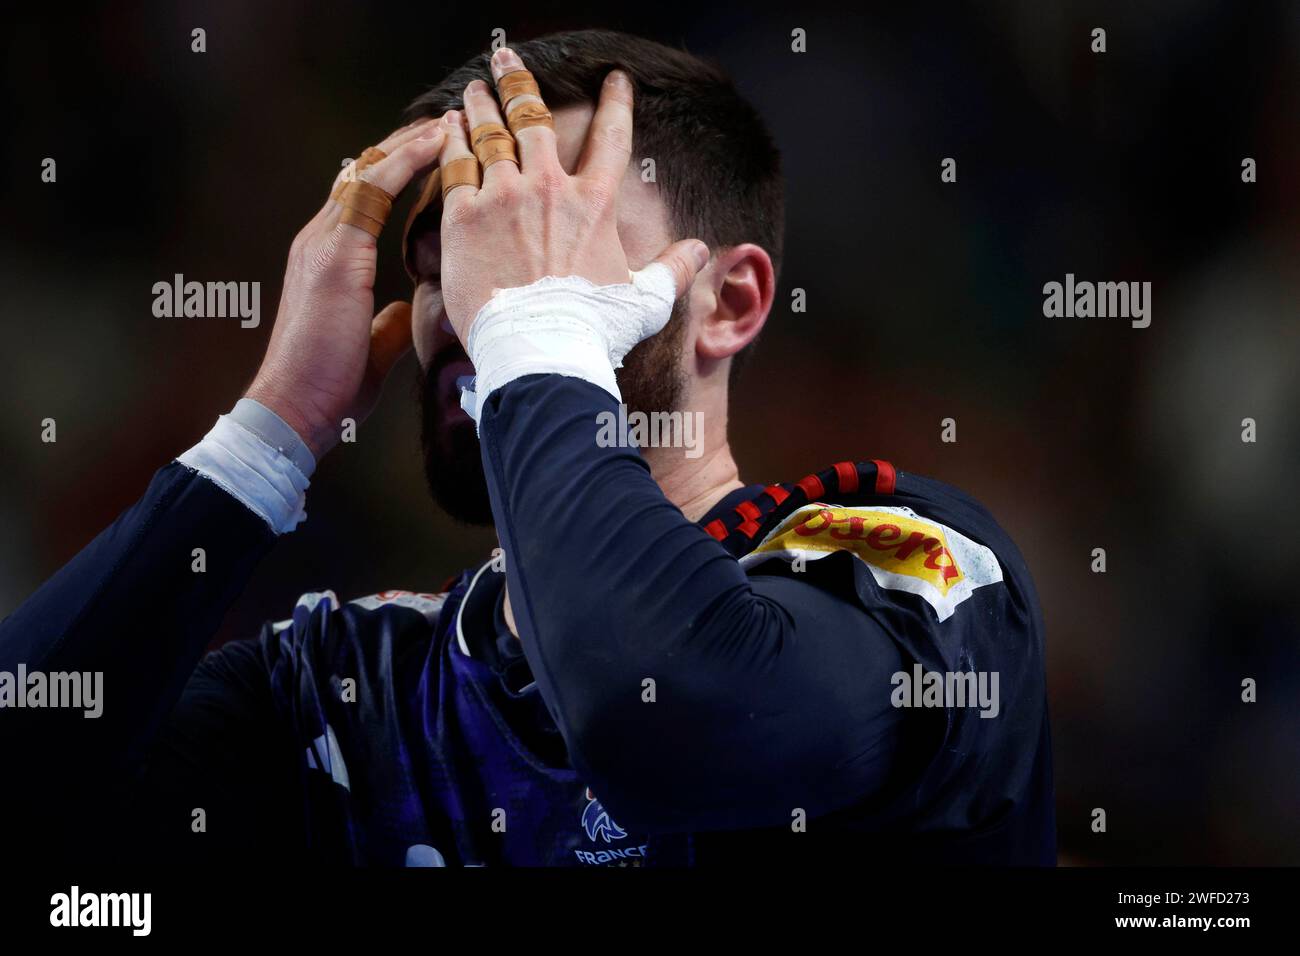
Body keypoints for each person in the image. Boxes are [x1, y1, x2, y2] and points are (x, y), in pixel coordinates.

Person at [0, 30, 1054, 866]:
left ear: (728, 300)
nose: (470, 293)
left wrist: (537, 335)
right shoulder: (351, 685)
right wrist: (267, 436)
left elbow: (659, 714)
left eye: (539, 232)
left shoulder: (910, 573)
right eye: (442, 254)